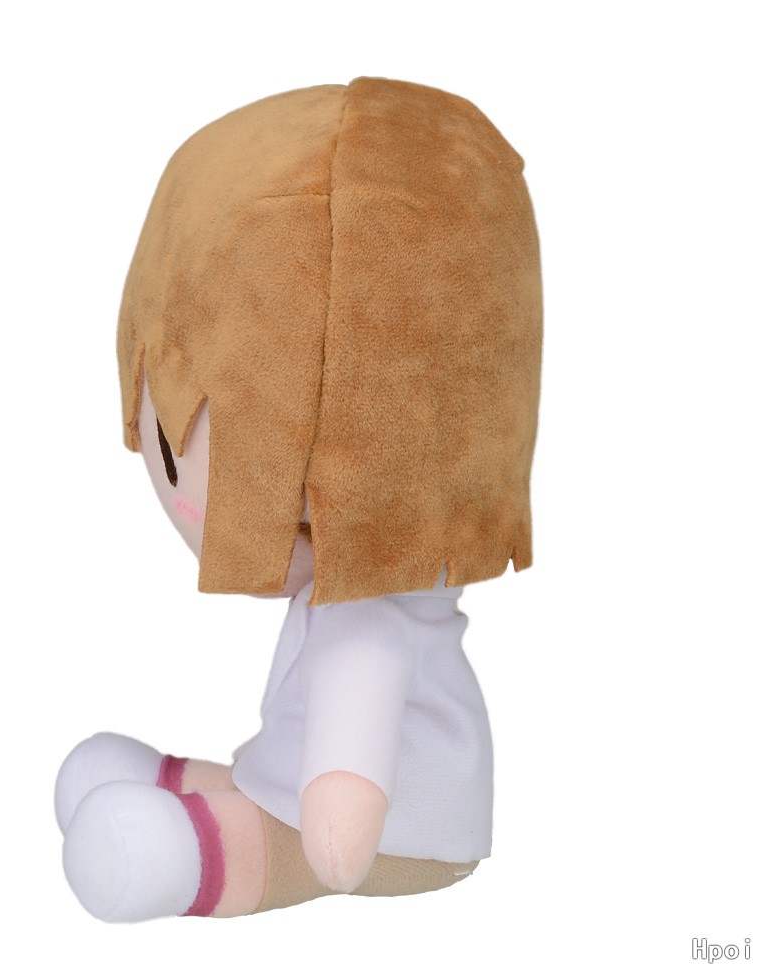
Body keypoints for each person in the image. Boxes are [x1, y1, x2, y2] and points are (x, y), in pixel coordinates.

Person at [55, 76, 542, 921]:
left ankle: (193, 858)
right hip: (299, 781)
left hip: (400, 828)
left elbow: (343, 811)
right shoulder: (332, 595)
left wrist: (337, 820)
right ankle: (184, 787)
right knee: (236, 784)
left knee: (254, 845)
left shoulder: (371, 618)